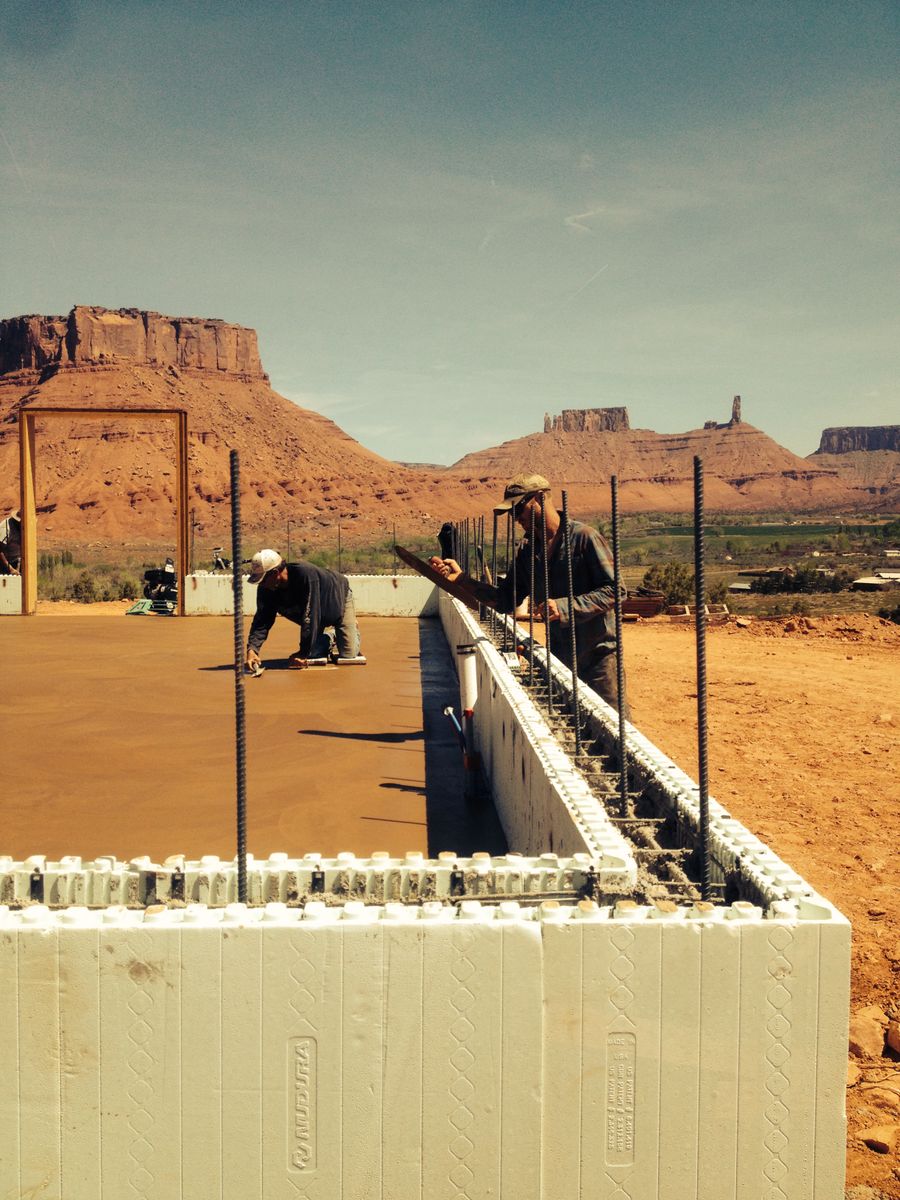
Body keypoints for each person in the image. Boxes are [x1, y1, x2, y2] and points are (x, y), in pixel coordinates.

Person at [430, 474, 630, 715]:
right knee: (568, 721)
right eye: (511, 514)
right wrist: (462, 580)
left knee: (609, 725)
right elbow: (505, 600)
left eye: (518, 509)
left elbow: (616, 590)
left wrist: (565, 607)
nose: (515, 519)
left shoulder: (584, 538)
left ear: (540, 498)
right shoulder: (527, 551)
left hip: (599, 659)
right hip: (559, 656)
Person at [245, 549, 362, 670]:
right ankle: (329, 637)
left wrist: (303, 652)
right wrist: (252, 649)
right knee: (313, 653)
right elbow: (262, 619)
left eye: (263, 579)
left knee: (349, 654)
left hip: (337, 599)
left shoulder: (305, 575)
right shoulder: (266, 588)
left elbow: (310, 615)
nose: (261, 584)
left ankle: (348, 628)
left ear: (275, 573)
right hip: (315, 613)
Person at [0, 511, 21, 575]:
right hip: (4, 563)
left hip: (17, 561)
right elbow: (0, 550)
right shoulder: (5, 527)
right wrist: (10, 568)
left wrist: (18, 565)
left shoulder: (24, 528)